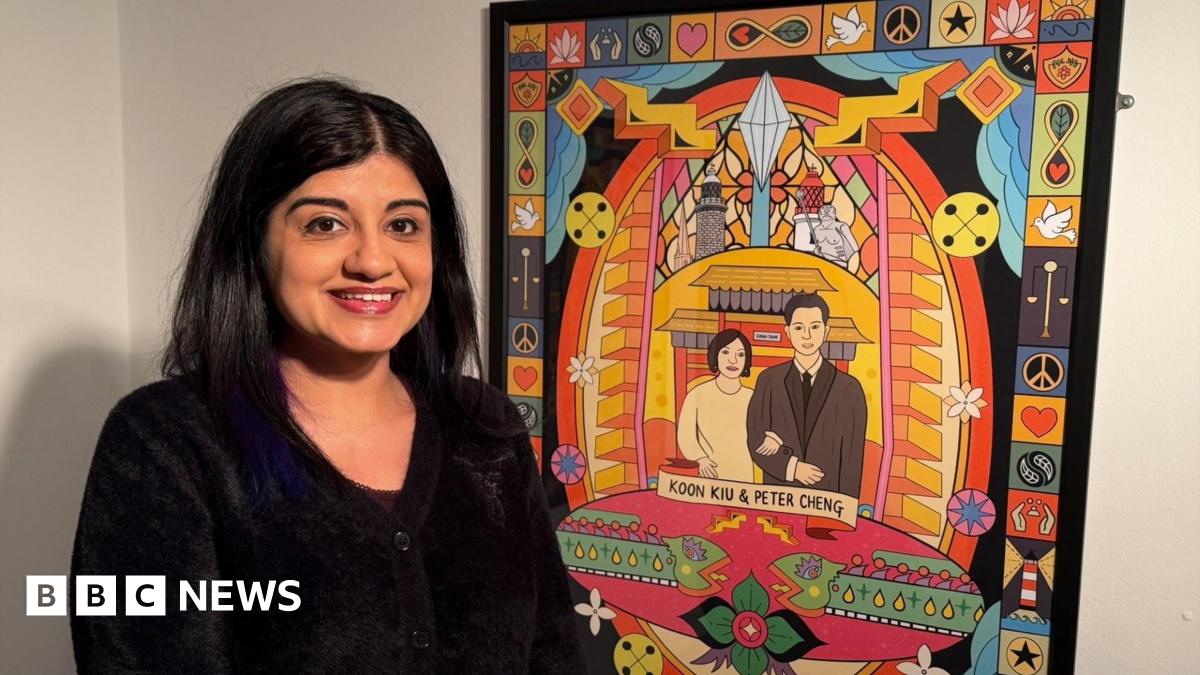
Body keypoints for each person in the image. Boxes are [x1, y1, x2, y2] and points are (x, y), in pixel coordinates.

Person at [69, 78, 585, 673]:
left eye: (403, 225)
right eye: (324, 224)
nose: (371, 261)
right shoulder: (164, 444)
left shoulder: (485, 429)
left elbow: (554, 654)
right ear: (252, 244)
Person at [746, 292, 866, 497]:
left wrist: (846, 510)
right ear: (788, 332)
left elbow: (852, 459)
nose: (807, 336)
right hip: (779, 497)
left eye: (815, 327)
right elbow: (755, 438)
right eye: (799, 327)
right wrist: (792, 467)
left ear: (826, 331)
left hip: (827, 500)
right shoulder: (769, 381)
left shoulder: (849, 389)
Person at [675, 329, 755, 482]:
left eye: (740, 354)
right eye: (725, 352)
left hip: (743, 474)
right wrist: (700, 458)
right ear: (715, 356)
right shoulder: (697, 395)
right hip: (709, 473)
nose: (733, 360)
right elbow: (685, 435)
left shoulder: (752, 397)